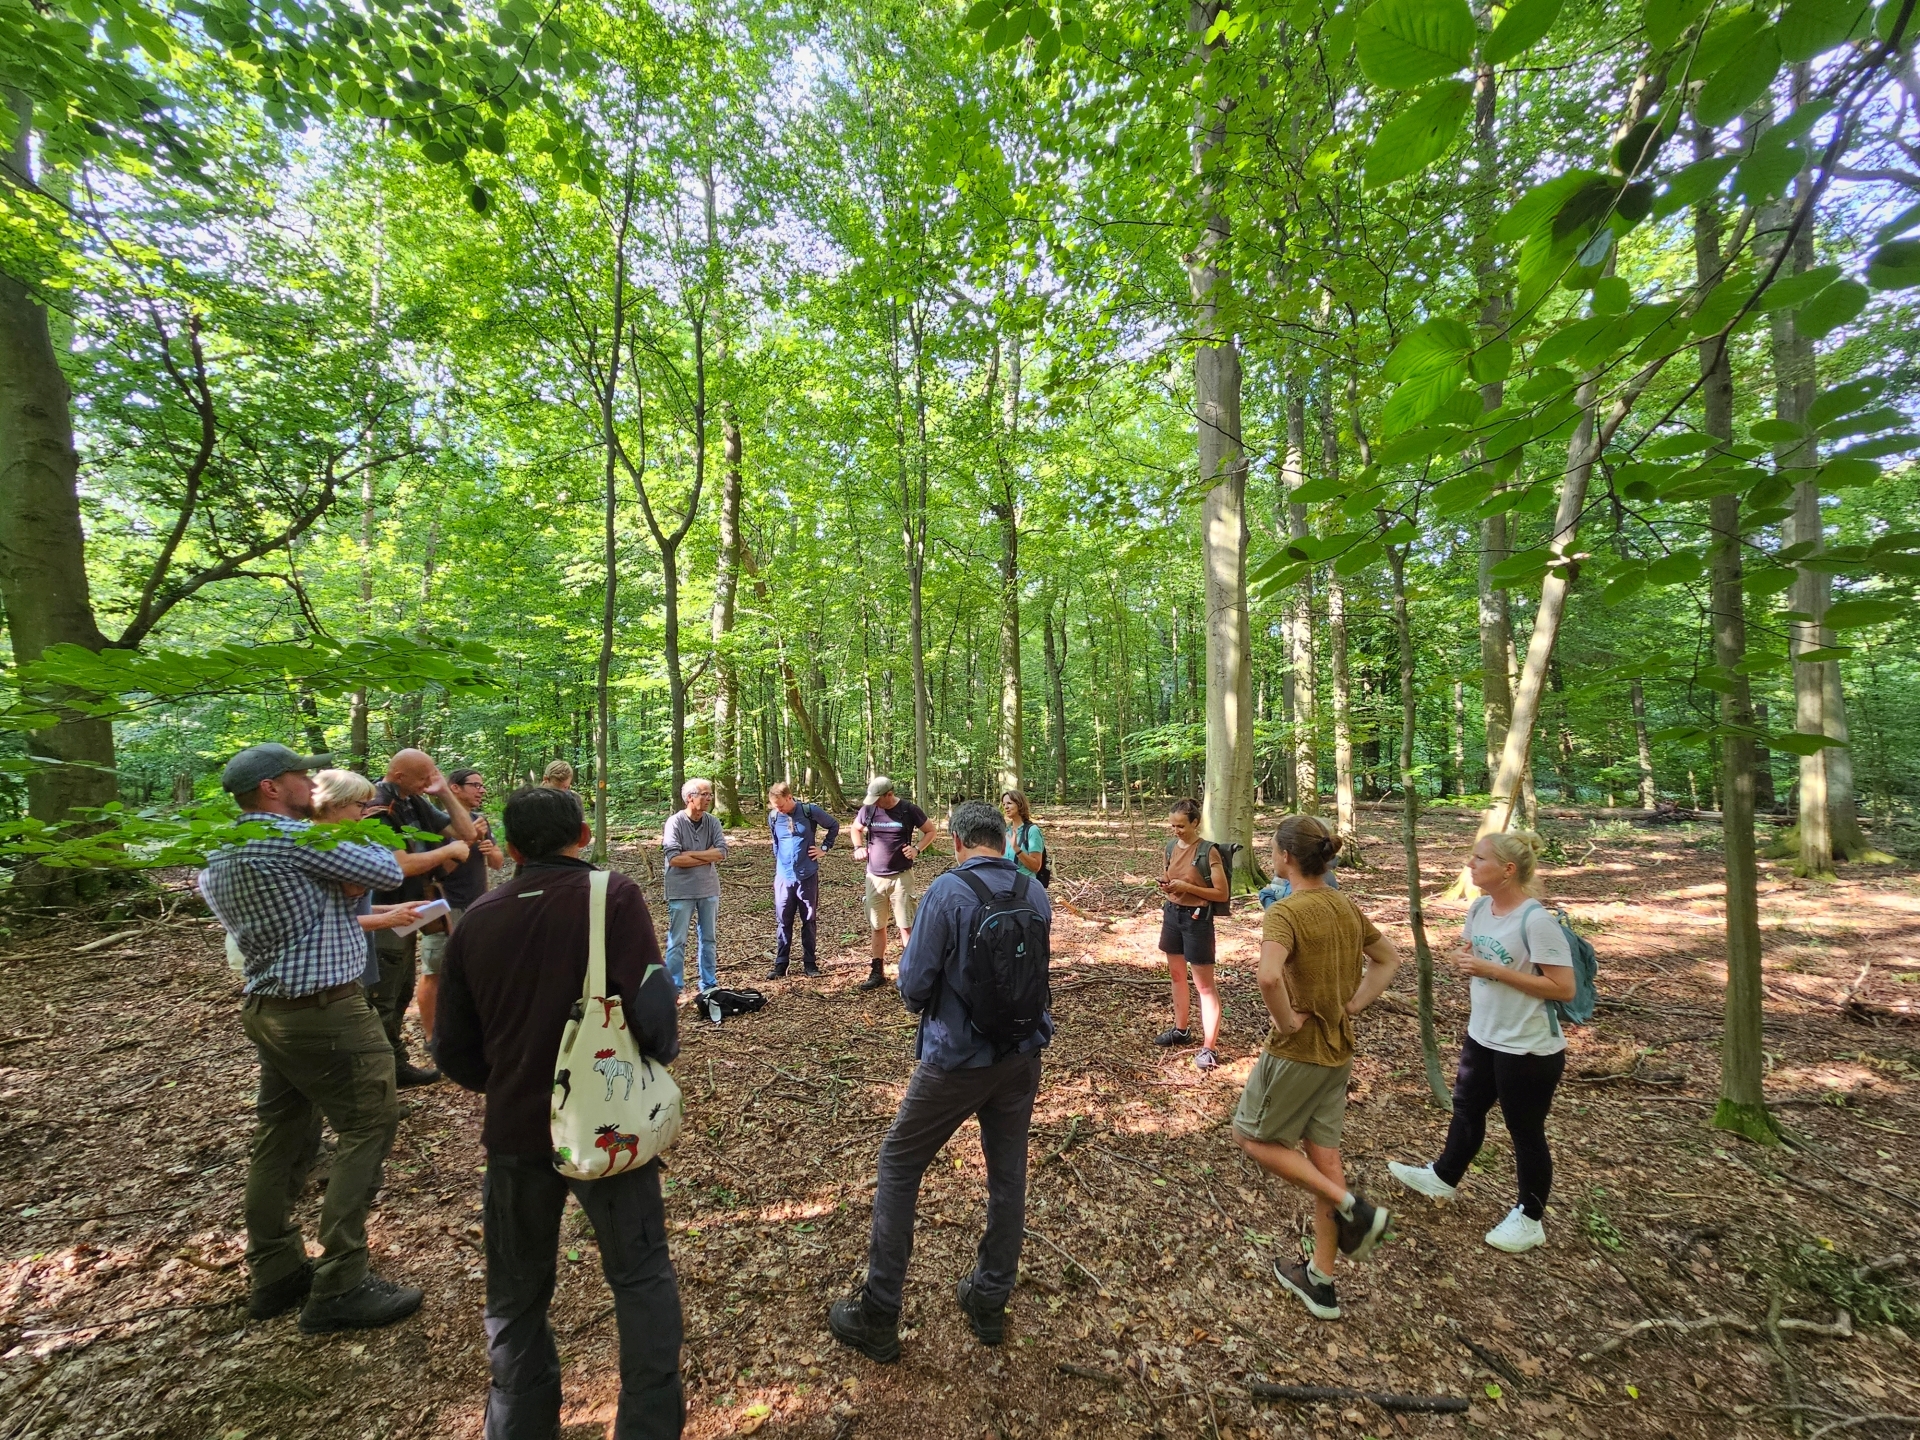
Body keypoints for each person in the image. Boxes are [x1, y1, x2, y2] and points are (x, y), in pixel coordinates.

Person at [433, 785, 684, 1439]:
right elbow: (654, 1010)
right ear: (582, 835)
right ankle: (649, 1425)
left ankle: (519, 1424)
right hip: (608, 1128)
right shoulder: (613, 897)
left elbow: (453, 1051)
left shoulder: (478, 919)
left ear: (510, 849)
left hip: (516, 1132)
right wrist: (654, 1058)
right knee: (640, 1276)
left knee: (515, 1296)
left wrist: (514, 1083)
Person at [199, 744, 429, 1333]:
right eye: (301, 775)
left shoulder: (222, 846)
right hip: (326, 1012)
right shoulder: (291, 839)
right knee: (367, 1125)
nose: (311, 783)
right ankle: (342, 1283)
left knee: (282, 1134)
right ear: (272, 788)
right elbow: (385, 872)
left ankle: (275, 1270)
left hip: (269, 1007)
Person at [828, 800, 1053, 1363]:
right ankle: (989, 1298)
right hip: (1023, 1055)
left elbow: (914, 983)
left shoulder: (947, 893)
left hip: (955, 1060)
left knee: (899, 1164)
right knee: (1008, 1175)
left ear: (956, 842)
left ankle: (879, 1311)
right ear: (1002, 840)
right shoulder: (1036, 892)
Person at [1233, 815, 1401, 1323]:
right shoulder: (1345, 906)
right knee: (1324, 1158)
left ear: (1285, 857)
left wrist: (1284, 1022)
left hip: (1298, 1054)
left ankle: (1354, 1205)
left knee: (1251, 1136)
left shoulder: (1287, 911)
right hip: (1337, 1051)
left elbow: (1267, 977)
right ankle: (1321, 1282)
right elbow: (1388, 960)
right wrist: (1353, 1005)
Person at [1388, 831, 1575, 1255]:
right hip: (1484, 1034)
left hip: (1528, 1046)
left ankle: (1530, 1218)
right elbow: (1471, 952)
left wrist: (1493, 970)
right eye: (1471, 856)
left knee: (1525, 1131)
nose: (1469, 864)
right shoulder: (1479, 908)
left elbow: (1563, 988)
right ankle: (1444, 1176)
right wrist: (1466, 959)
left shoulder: (1536, 920)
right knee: (1467, 1109)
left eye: (1479, 858)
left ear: (1508, 870)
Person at [367, 748, 480, 1087]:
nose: (427, 784)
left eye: (433, 776)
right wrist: (446, 852)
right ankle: (380, 1077)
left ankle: (395, 1065)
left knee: (400, 993)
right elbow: (398, 866)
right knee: (382, 999)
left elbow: (467, 834)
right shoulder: (377, 806)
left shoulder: (412, 800)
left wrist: (444, 791)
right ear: (398, 775)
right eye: (423, 778)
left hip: (410, 913)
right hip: (382, 913)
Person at [416, 767, 506, 1041]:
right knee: (435, 970)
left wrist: (492, 851)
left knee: (476, 968)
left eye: (482, 785)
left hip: (477, 904)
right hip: (444, 906)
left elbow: (498, 862)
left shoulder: (480, 820)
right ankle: (432, 1037)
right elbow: (438, 871)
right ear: (454, 788)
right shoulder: (437, 825)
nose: (481, 790)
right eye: (474, 785)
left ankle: (473, 1028)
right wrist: (465, 839)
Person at [1154, 799, 1230, 1071]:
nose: (1176, 830)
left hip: (1197, 919)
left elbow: (1221, 894)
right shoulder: (1171, 847)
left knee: (1204, 986)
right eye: (1172, 825)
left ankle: (1209, 1047)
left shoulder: (1208, 851)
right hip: (1173, 914)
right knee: (1176, 976)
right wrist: (1167, 885)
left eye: (1182, 826)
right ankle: (1181, 1029)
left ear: (1196, 823)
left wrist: (1188, 886)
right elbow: (1169, 874)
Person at [850, 776, 937, 992]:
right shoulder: (868, 810)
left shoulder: (908, 810)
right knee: (877, 925)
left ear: (889, 794)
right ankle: (877, 971)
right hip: (874, 877)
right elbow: (855, 829)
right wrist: (858, 847)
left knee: (905, 925)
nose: (874, 802)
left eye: (878, 798)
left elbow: (931, 831)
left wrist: (917, 848)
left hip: (901, 877)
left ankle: (909, 972)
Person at [766, 781, 840, 979]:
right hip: (783, 877)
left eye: (780, 805)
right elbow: (776, 842)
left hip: (807, 875)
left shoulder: (809, 811)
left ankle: (810, 963)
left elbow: (833, 825)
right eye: (775, 806)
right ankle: (781, 964)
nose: (778, 809)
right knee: (783, 920)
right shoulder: (774, 817)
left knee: (808, 919)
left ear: (790, 798)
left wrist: (824, 849)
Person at [661, 777, 727, 994]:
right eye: (704, 794)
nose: (709, 798)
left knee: (709, 939)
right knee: (677, 941)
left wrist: (691, 854)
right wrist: (706, 855)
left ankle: (709, 985)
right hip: (680, 891)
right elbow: (674, 859)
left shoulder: (713, 822)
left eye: (710, 794)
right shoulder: (675, 822)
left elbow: (721, 852)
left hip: (708, 889)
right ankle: (674, 988)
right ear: (690, 798)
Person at [1000, 790, 1046, 881]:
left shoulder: (1032, 830)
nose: (1006, 807)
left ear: (1019, 804)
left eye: (1009, 803)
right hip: (1005, 884)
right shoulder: (1005, 830)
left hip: (1025, 885)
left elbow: (1036, 866)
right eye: (1004, 804)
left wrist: (1017, 850)